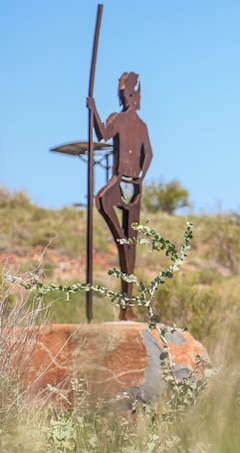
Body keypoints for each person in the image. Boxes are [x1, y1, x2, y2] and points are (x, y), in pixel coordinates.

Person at [87, 72, 153, 320]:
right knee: (103, 199)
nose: (127, 98)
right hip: (118, 183)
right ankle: (119, 238)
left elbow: (149, 155)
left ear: (136, 95)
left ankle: (129, 306)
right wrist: (94, 111)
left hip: (132, 187)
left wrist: (139, 178)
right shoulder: (119, 119)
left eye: (130, 94)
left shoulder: (142, 126)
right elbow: (103, 134)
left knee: (131, 246)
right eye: (123, 94)